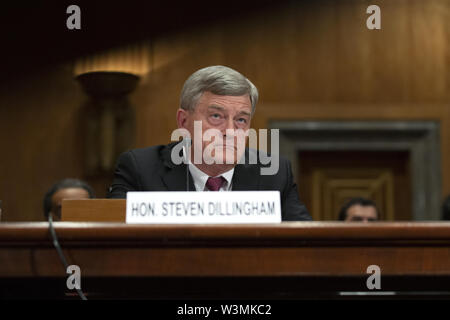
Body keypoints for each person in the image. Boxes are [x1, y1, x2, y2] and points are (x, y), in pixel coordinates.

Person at [107, 65, 311, 221]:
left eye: (241, 120)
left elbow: (306, 244)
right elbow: (113, 245)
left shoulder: (274, 174)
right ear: (183, 122)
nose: (230, 132)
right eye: (216, 116)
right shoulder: (140, 169)